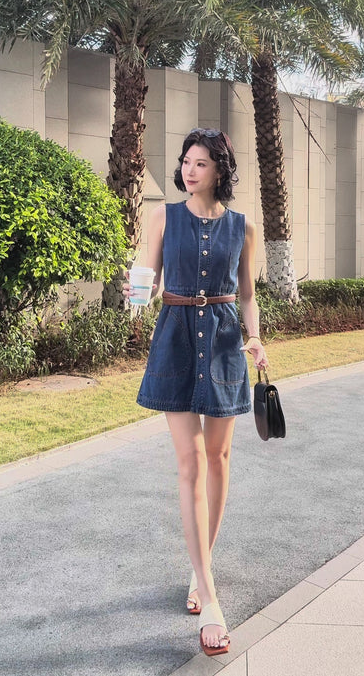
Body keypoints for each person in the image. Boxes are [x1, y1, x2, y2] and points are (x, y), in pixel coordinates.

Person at [124, 128, 268, 657]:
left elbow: (247, 294)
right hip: (176, 340)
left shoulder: (243, 226)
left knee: (218, 458)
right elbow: (147, 274)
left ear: (219, 170)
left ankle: (198, 566)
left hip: (226, 342)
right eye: (186, 161)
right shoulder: (162, 217)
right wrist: (136, 293)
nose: (189, 170)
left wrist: (255, 337)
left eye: (201, 163)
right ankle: (209, 597)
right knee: (189, 462)